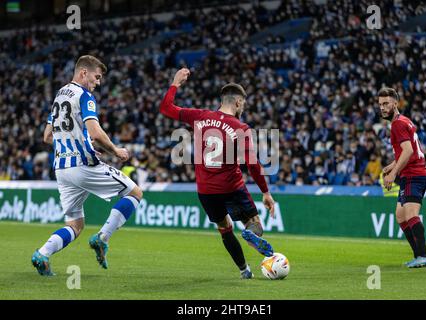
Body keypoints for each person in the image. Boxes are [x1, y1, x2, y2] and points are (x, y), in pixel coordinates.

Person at [159, 68, 276, 279]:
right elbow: (252, 164)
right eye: (244, 104)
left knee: (224, 228)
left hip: (205, 191)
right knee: (254, 222)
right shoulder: (240, 127)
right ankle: (251, 233)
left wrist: (175, 82)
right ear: (238, 103)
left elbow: (166, 108)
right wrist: (265, 192)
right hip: (231, 187)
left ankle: (244, 270)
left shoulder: (200, 117)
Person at [31, 55, 143, 276]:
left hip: (62, 168)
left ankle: (42, 254)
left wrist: (75, 142)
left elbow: (46, 136)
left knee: (75, 224)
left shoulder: (59, 96)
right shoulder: (84, 95)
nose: (98, 82)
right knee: (135, 192)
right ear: (84, 72)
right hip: (82, 164)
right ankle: (103, 238)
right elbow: (95, 131)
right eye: (97, 76)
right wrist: (116, 150)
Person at [379, 87, 426, 268]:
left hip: (413, 175)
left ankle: (423, 256)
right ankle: (418, 256)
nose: (383, 108)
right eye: (380, 104)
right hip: (412, 174)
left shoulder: (397, 124)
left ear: (395, 103)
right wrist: (393, 165)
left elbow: (409, 151)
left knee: (410, 215)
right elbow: (411, 150)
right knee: (401, 216)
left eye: (386, 103)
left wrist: (393, 174)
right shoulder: (404, 121)